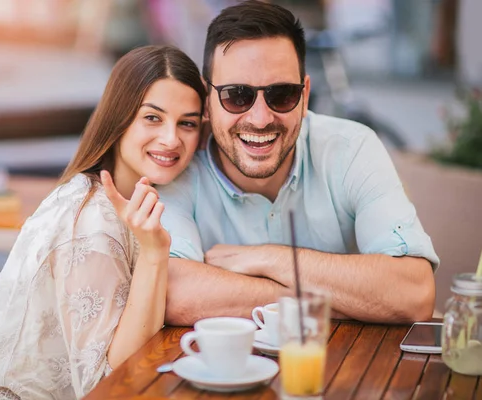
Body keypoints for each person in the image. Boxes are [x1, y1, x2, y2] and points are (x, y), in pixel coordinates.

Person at [0, 45, 205, 399]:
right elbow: (110, 382)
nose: (171, 139)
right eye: (153, 118)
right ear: (119, 118)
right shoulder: (90, 219)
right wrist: (155, 254)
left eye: (187, 123)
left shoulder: (136, 200)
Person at [158, 0, 439, 326]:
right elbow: (175, 294)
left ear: (305, 95)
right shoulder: (178, 164)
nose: (260, 118)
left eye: (281, 95)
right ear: (207, 100)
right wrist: (340, 298)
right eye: (237, 95)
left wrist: (268, 259)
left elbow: (413, 294)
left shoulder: (350, 148)